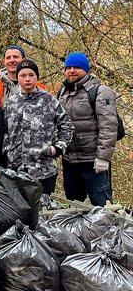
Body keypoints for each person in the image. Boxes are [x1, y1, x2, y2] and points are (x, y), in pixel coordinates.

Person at [3, 59, 74, 197]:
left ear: (37, 77)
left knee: (43, 213)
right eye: (23, 75)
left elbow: (67, 127)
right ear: (18, 78)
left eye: (31, 75)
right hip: (16, 171)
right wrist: (7, 151)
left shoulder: (49, 100)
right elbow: (4, 130)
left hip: (43, 170)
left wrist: (57, 148)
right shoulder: (10, 103)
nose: (27, 79)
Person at [58, 52, 119, 206]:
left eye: (77, 67)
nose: (71, 70)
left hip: (93, 162)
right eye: (68, 67)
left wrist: (103, 158)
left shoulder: (100, 91)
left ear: (86, 70)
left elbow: (109, 126)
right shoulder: (62, 92)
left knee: (103, 208)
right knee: (73, 209)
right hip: (70, 161)